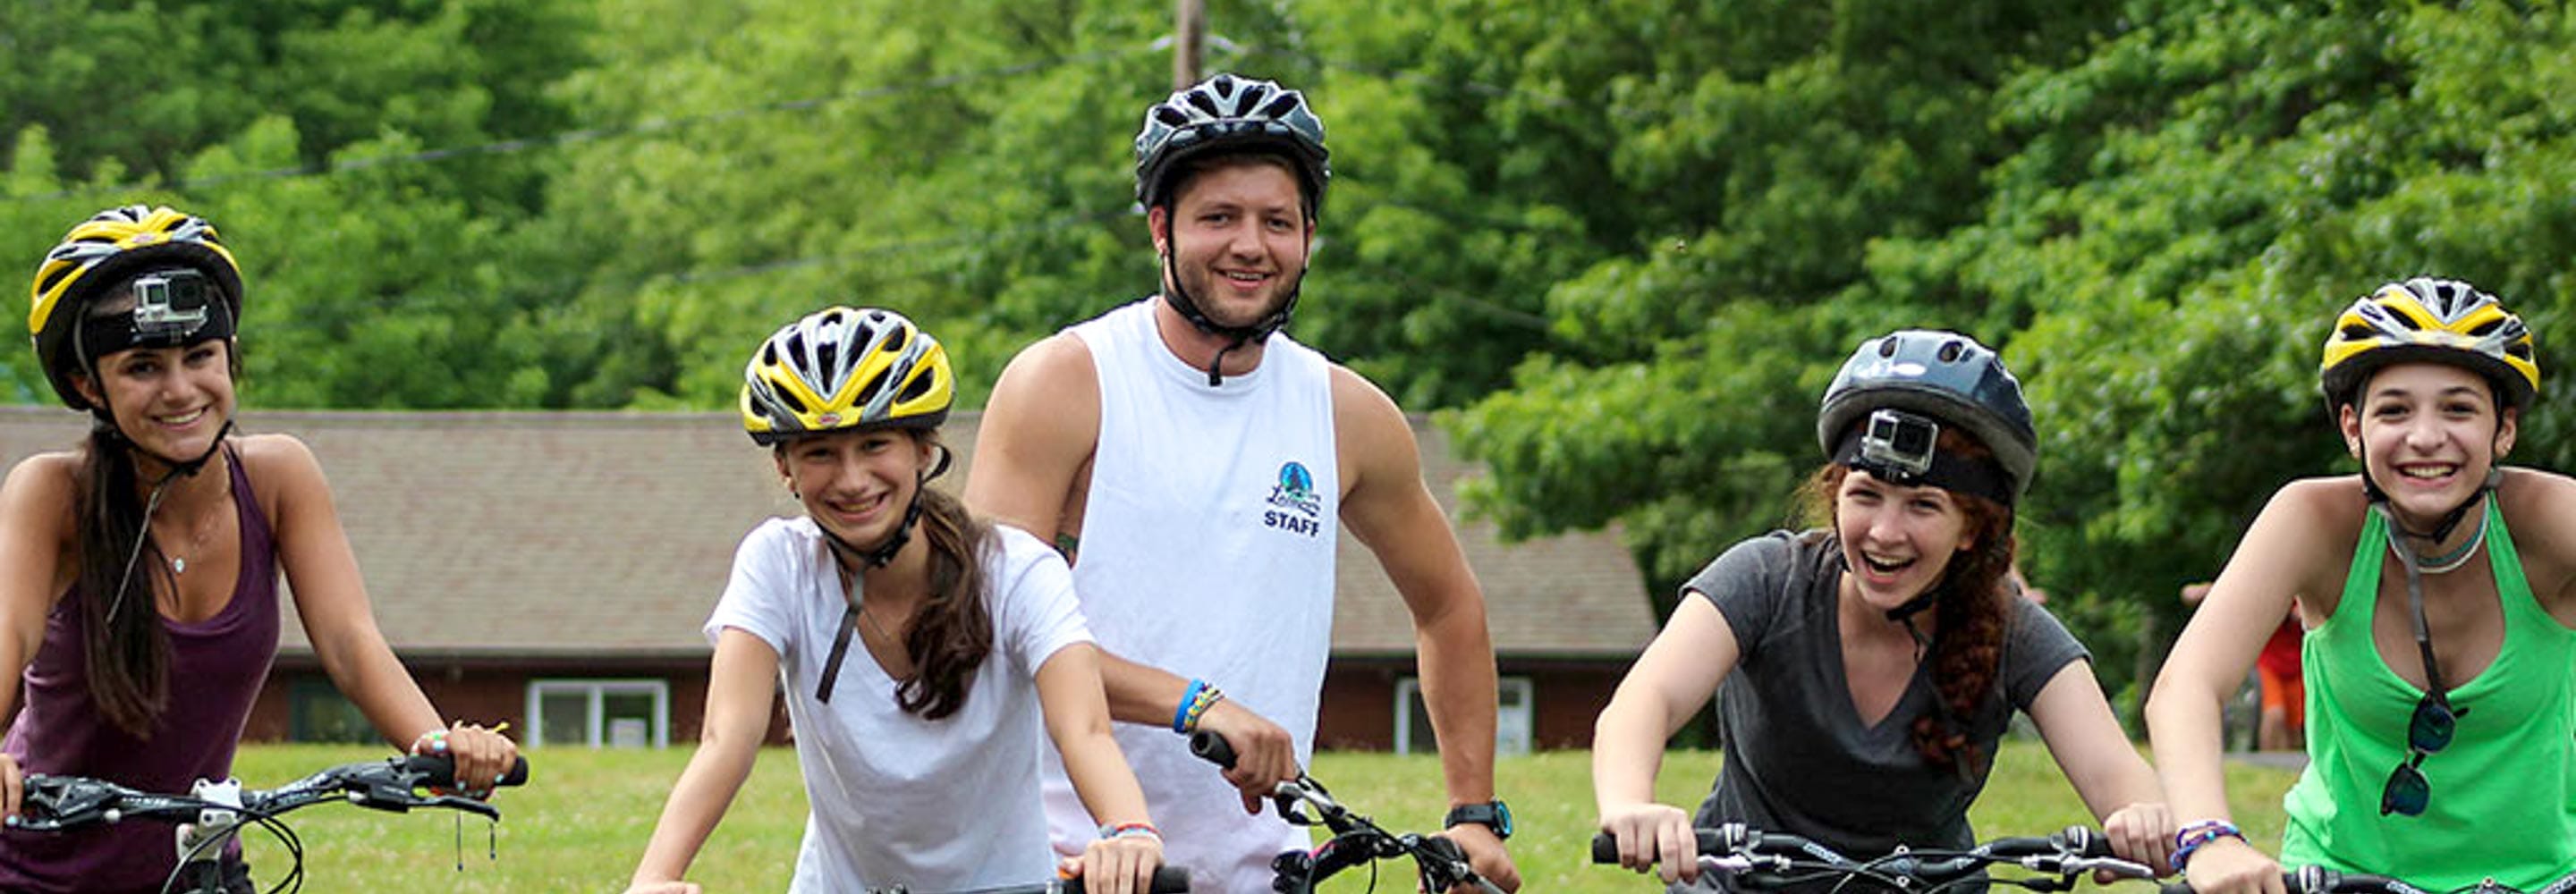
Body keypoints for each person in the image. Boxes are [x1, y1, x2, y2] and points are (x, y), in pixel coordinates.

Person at [965, 72, 1521, 891]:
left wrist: (1471, 813)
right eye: (1218, 218)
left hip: (1267, 868)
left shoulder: (1347, 414)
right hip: (1064, 859)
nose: (1250, 246)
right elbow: (983, 622)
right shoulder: (1067, 381)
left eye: (1277, 222)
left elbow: (1448, 607)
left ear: (1308, 236)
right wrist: (1197, 703)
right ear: (1161, 228)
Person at [0, 205, 519, 893]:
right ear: (87, 384)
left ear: (230, 356)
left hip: (200, 868)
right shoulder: (52, 493)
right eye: (143, 367)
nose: (181, 389)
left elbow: (350, 642)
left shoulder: (279, 478)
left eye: (200, 356)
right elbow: (8, 631)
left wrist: (439, 745)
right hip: (31, 872)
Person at [1592, 329, 2175, 889]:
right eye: (1866, 496)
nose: (1884, 532)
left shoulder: (2014, 631)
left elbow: (2117, 775)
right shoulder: (1766, 580)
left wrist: (2143, 818)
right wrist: (1629, 804)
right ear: (1834, 496)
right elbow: (1646, 700)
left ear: (1971, 529)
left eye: (1923, 505)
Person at [623, 307, 1163, 894]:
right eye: (820, 453)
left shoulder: (1016, 571)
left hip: (1006, 883)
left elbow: (1083, 728)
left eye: (875, 444)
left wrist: (1129, 829)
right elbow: (728, 737)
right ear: (785, 469)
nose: (853, 480)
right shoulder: (777, 563)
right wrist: (657, 875)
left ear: (922, 451)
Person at [2147, 278, 2576, 894]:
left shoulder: (2552, 520)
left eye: (2458, 409)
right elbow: (2185, 685)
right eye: (2394, 410)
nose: (2426, 437)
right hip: (2338, 879)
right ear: (2353, 428)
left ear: (2503, 429)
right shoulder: (2311, 521)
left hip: (2544, 879)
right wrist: (2211, 837)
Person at [2181, 583, 2304, 752]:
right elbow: (2190, 593)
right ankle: (2270, 763)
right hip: (2269, 665)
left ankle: (2287, 769)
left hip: (2297, 667)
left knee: (2294, 728)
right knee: (2275, 715)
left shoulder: (2300, 592)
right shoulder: (2265, 589)